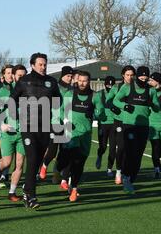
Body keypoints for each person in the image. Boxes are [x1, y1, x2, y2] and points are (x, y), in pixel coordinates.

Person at [10, 53, 62, 209]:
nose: (43, 67)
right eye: (40, 64)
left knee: (37, 162)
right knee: (32, 160)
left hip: (45, 127)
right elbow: (12, 100)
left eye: (45, 64)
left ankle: (27, 188)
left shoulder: (51, 82)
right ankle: (31, 196)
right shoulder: (24, 81)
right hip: (28, 126)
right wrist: (16, 118)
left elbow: (57, 101)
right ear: (32, 65)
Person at [55, 71, 103, 201]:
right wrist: (65, 120)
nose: (82, 83)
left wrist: (94, 115)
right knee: (70, 157)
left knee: (80, 163)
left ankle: (74, 188)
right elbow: (60, 111)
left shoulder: (95, 96)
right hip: (71, 132)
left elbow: (101, 113)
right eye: (80, 80)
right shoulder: (70, 94)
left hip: (86, 134)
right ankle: (58, 169)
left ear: (89, 81)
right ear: (77, 81)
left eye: (85, 81)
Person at [113, 66, 160, 194]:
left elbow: (156, 108)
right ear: (136, 76)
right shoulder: (127, 87)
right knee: (129, 152)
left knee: (138, 155)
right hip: (129, 125)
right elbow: (115, 101)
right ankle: (126, 177)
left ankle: (130, 178)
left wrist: (153, 103)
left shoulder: (151, 91)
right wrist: (125, 106)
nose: (143, 78)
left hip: (144, 126)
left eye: (145, 77)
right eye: (141, 76)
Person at [0, 64, 28, 201]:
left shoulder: (30, 91)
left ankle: (12, 192)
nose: (22, 77)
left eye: (24, 75)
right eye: (19, 75)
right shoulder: (3, 91)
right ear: (13, 76)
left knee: (19, 164)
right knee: (7, 162)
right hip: (8, 133)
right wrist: (1, 124)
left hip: (23, 133)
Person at [39, 65, 74, 181]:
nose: (70, 78)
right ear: (62, 75)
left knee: (64, 152)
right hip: (54, 122)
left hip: (67, 124)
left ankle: (57, 173)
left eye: (71, 76)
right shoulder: (55, 87)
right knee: (52, 150)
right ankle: (44, 166)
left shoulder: (72, 90)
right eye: (68, 76)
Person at [105, 66, 135, 184]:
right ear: (123, 75)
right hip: (119, 121)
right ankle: (118, 172)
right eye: (127, 75)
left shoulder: (136, 87)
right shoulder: (116, 87)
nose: (130, 77)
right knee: (121, 147)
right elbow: (108, 101)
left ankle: (127, 171)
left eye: (132, 75)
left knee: (130, 149)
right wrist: (114, 108)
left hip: (132, 122)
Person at [94, 76, 117, 177]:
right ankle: (99, 155)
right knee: (103, 146)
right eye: (108, 85)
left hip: (114, 124)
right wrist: (97, 116)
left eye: (112, 85)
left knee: (113, 148)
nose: (110, 87)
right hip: (103, 124)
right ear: (105, 85)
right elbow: (95, 107)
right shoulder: (99, 94)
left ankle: (109, 169)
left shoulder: (117, 94)